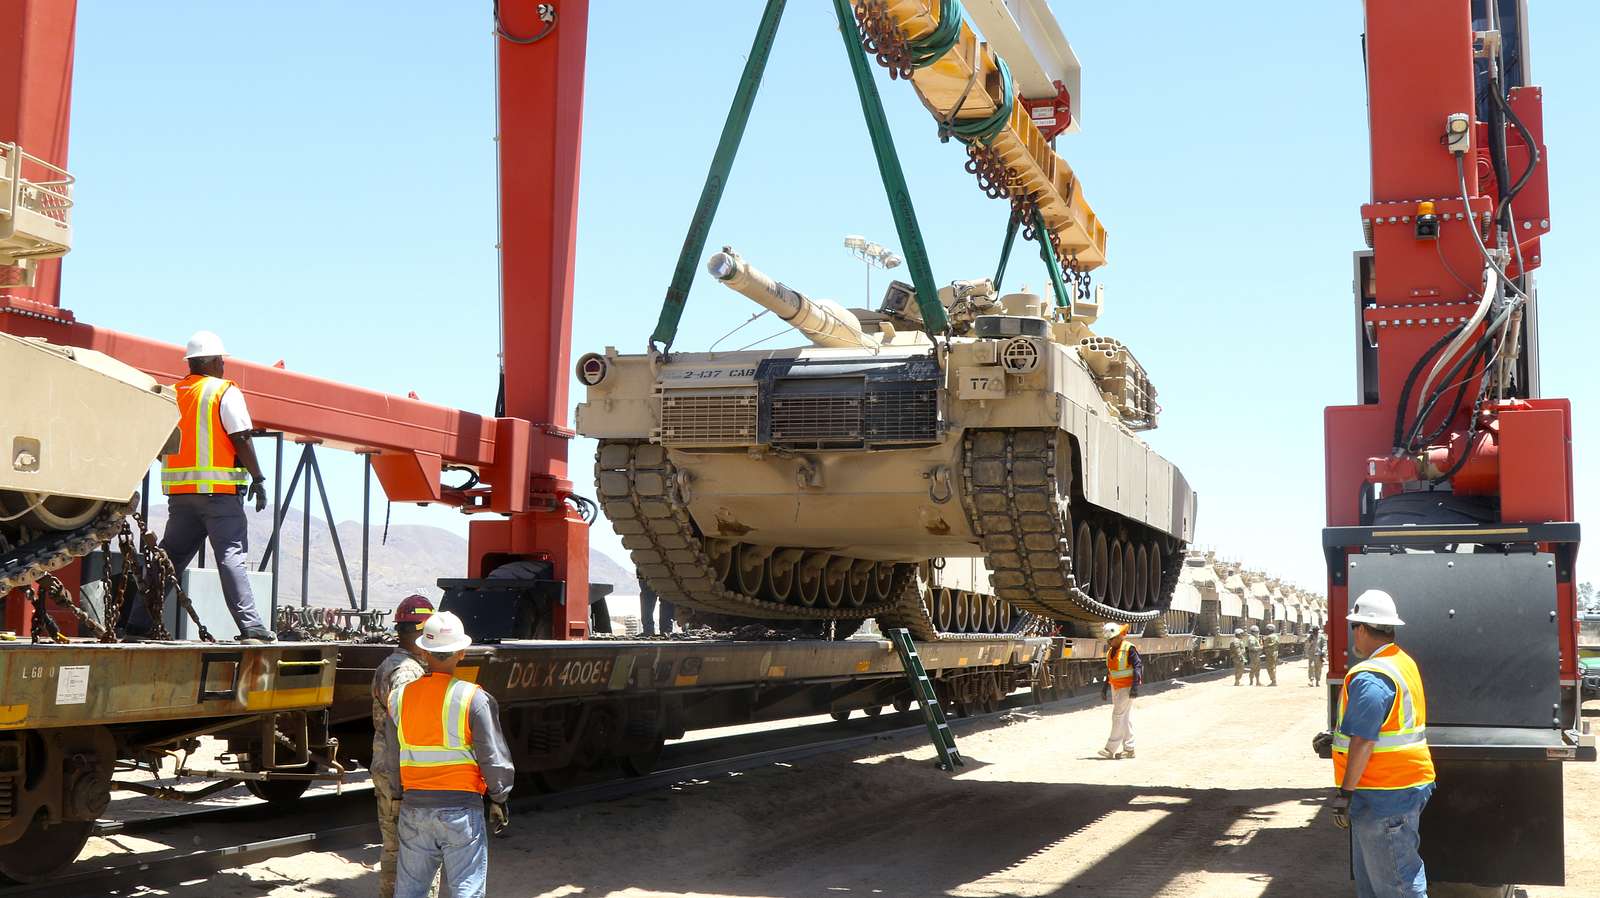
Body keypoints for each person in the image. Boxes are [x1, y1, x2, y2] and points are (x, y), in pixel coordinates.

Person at [388, 612, 514, 898]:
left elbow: (393, 754)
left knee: (409, 892)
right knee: (466, 890)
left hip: (414, 808)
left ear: (424, 651)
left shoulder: (399, 697)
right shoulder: (473, 698)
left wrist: (397, 796)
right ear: (461, 652)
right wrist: (499, 797)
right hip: (461, 811)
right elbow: (492, 757)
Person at [157, 331, 271, 643]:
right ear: (211, 361)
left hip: (180, 497)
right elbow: (241, 437)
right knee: (231, 556)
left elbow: (156, 444)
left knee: (169, 559)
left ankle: (138, 621)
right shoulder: (223, 391)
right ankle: (251, 627)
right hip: (219, 496)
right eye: (221, 360)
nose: (223, 365)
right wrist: (258, 478)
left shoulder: (171, 393)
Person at [1326, 589, 1435, 898]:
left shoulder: (1371, 675)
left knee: (1397, 887)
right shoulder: (1401, 662)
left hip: (1383, 794)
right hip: (1401, 785)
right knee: (1377, 883)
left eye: (1353, 629)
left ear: (1361, 628)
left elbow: (1363, 742)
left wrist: (1344, 794)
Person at [371, 595, 438, 898]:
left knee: (394, 847)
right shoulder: (407, 673)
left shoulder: (391, 663)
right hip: (402, 774)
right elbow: (406, 725)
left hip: (389, 767)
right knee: (413, 851)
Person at [1098, 622, 1141, 759]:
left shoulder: (1129, 648)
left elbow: (1138, 667)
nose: (1110, 642)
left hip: (1127, 687)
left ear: (1118, 636)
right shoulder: (1111, 651)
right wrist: (1105, 688)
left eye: (1111, 639)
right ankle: (1129, 749)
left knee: (1117, 716)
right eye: (1108, 640)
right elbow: (1111, 671)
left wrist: (1135, 687)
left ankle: (1110, 749)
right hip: (1116, 687)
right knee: (1124, 718)